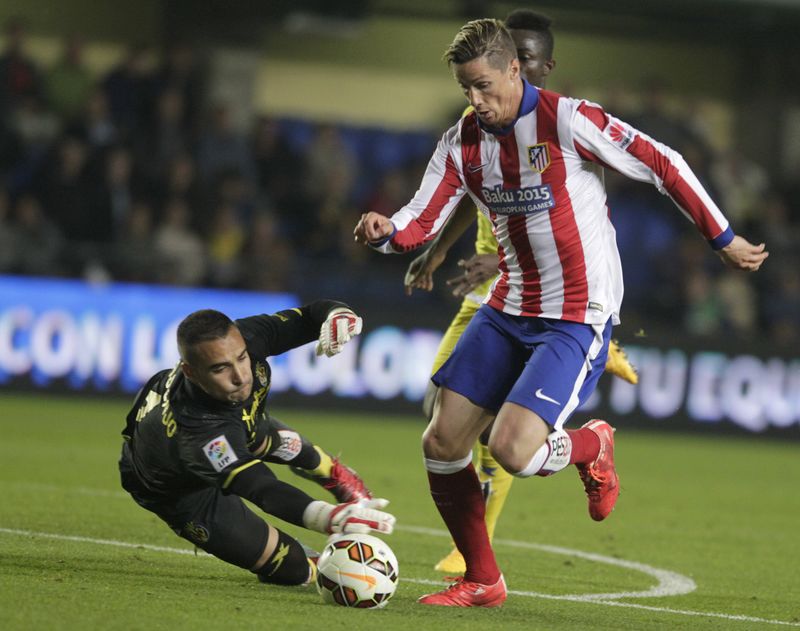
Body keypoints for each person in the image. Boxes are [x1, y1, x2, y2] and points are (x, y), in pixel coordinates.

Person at [354, 19, 767, 607]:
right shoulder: (462, 142)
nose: (475, 101)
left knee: (514, 451)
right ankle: (482, 579)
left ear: (514, 70)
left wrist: (721, 237)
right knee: (442, 442)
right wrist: (384, 232)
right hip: (507, 305)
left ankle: (593, 444)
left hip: (577, 313)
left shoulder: (569, 120)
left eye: (483, 86)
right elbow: (419, 219)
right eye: (465, 89)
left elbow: (663, 161)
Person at [403, 9, 638, 575]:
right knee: (442, 417)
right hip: (492, 295)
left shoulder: (562, 127)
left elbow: (578, 222)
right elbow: (457, 194)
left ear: (536, 67)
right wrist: (433, 252)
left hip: (550, 296)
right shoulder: (474, 125)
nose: (522, 70)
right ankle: (580, 384)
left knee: (505, 440)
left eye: (531, 62)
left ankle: (474, 547)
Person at [119, 301, 395, 587]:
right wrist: (326, 517)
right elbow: (259, 486)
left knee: (286, 444)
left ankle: (332, 473)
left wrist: (337, 315)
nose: (240, 376)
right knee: (295, 571)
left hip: (241, 424)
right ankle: (304, 559)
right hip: (181, 491)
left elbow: (311, 316)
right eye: (220, 369)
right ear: (191, 372)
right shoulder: (200, 431)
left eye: (241, 358)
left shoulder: (247, 336)